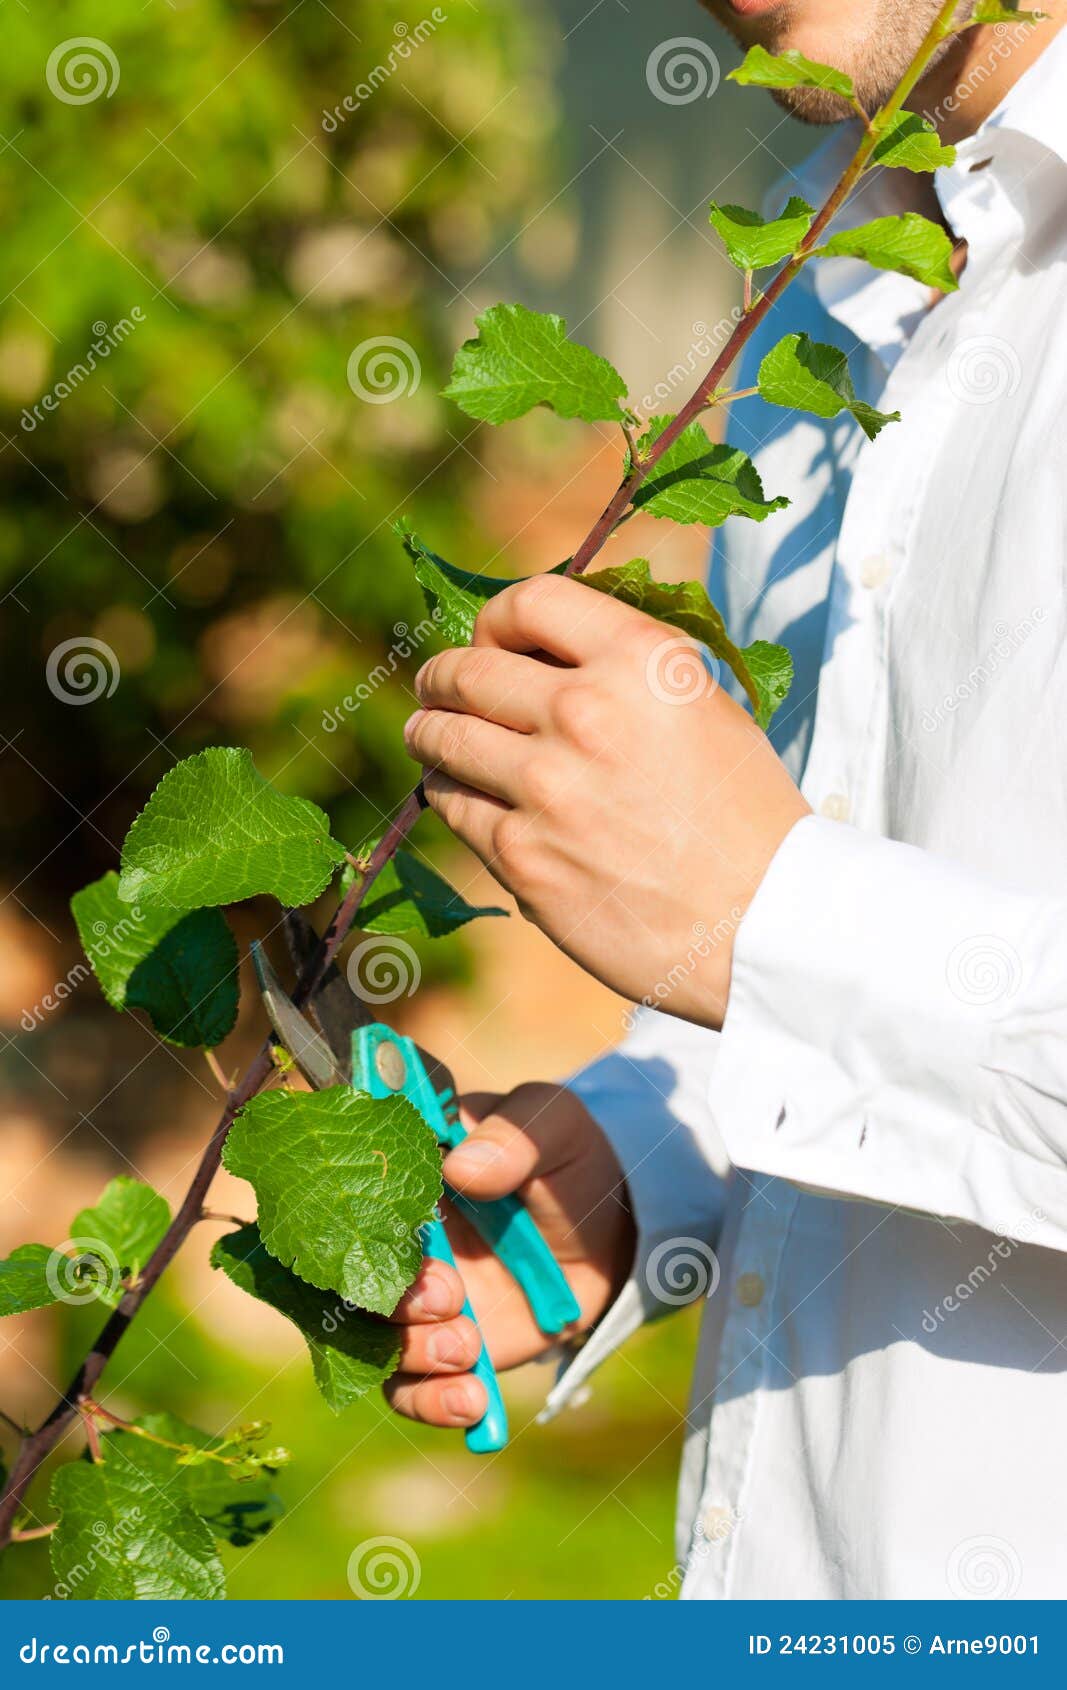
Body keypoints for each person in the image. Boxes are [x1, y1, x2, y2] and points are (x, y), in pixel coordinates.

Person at [382, 0, 1067, 1599]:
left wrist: (767, 922)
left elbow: (781, 905)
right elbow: (863, 872)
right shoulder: (832, 313)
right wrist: (639, 1148)